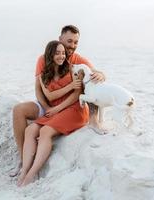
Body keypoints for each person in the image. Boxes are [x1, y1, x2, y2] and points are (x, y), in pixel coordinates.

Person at [11, 25, 105, 176]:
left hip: (64, 107)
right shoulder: (43, 59)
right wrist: (47, 107)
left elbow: (94, 73)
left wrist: (102, 75)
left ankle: (31, 168)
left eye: (75, 42)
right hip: (46, 104)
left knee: (44, 130)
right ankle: (22, 159)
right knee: (18, 110)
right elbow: (39, 88)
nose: (72, 46)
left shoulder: (76, 59)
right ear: (60, 39)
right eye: (69, 41)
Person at [17, 40, 89, 186]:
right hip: (57, 109)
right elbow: (49, 96)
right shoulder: (44, 74)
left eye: (63, 53)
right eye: (57, 53)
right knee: (30, 129)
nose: (62, 56)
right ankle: (25, 169)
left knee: (45, 131)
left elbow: (76, 94)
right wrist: (69, 86)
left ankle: (32, 174)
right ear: (50, 55)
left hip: (75, 109)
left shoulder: (72, 68)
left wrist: (58, 108)